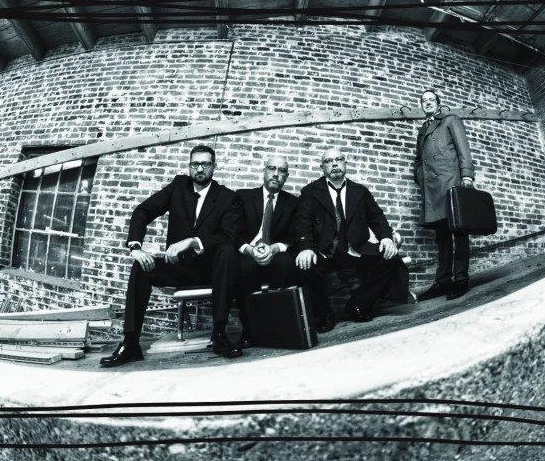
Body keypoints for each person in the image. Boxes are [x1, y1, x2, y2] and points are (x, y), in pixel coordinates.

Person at [100, 144, 243, 367]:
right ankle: (130, 343)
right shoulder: (179, 186)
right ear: (189, 166)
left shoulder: (227, 197)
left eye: (205, 164)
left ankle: (219, 335)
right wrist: (135, 247)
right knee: (141, 266)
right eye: (195, 164)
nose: (200, 169)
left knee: (227, 251)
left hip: (211, 270)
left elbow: (230, 236)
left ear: (214, 167)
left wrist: (193, 241)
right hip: (179, 267)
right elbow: (143, 211)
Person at [295, 148, 399, 332]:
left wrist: (386, 238)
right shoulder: (310, 191)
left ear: (345, 163)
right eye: (328, 161)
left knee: (390, 258)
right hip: (325, 251)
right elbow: (303, 222)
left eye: (339, 159)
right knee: (304, 267)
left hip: (355, 249)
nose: (334, 163)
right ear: (322, 167)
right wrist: (306, 247)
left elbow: (376, 217)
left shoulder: (360, 191)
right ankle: (324, 314)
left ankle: (358, 304)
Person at [413, 90, 476, 301]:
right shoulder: (423, 129)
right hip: (432, 188)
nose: (428, 103)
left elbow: (463, 149)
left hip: (450, 181)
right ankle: (443, 281)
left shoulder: (450, 120)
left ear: (438, 104)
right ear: (421, 105)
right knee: (441, 235)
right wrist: (419, 176)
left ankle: (461, 278)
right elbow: (418, 159)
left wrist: (466, 175)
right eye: (424, 101)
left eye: (431, 100)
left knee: (459, 230)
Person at [234, 156, 300, 347]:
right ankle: (249, 331)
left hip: (276, 253)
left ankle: (277, 328)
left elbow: (295, 235)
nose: (276, 174)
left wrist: (275, 248)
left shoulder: (293, 203)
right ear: (264, 171)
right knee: (243, 269)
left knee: (287, 264)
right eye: (272, 168)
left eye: (282, 171)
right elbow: (233, 230)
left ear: (286, 176)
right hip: (248, 251)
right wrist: (249, 249)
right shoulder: (243, 196)